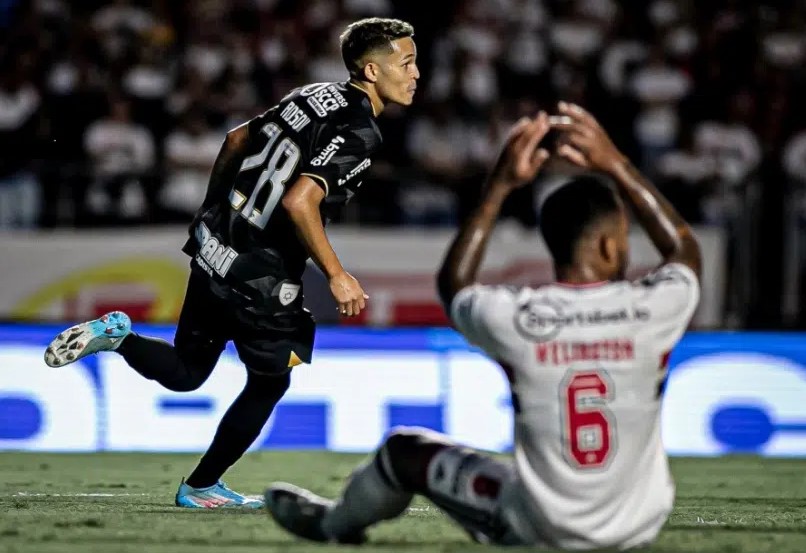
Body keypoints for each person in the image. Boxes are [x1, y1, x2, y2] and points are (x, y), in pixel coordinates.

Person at [264, 102, 701, 549]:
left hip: (543, 525)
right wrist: (618, 164)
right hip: (638, 525)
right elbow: (685, 253)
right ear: (610, 246)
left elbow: (455, 286)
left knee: (404, 451)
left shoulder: (520, 318)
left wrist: (500, 185)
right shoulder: (653, 309)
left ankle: (335, 525)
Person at [43, 17, 420, 509]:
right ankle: (200, 487)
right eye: (407, 63)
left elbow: (236, 139)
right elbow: (299, 201)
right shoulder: (361, 131)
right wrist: (337, 274)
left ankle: (118, 337)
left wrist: (214, 211)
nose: (416, 74)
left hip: (216, 246)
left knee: (187, 371)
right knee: (270, 382)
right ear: (372, 70)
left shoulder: (312, 94)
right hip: (260, 275)